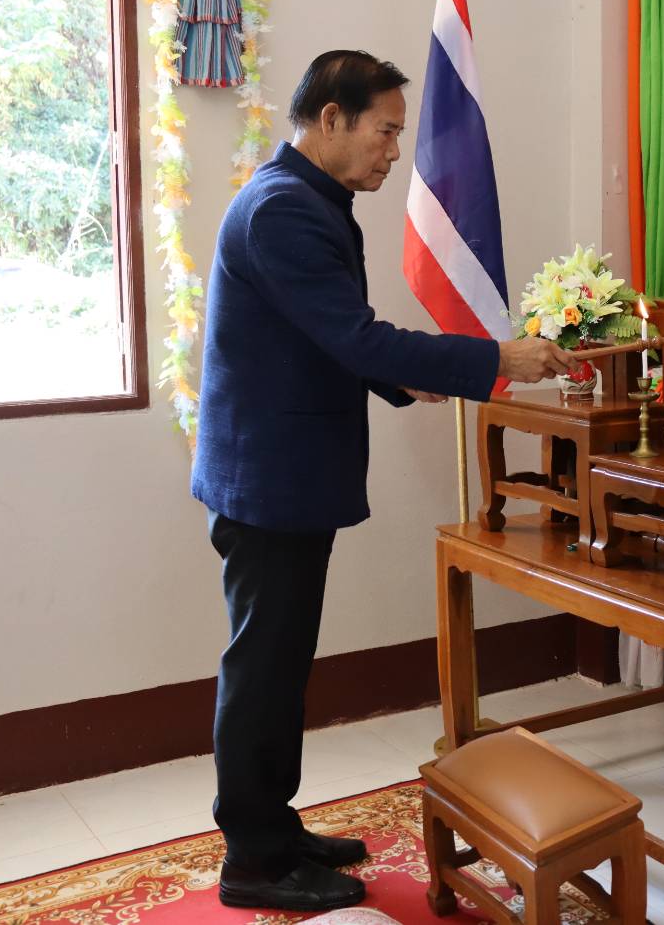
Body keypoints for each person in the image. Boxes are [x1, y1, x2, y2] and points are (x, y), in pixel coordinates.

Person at [190, 50, 575, 913]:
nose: (395, 151)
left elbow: (328, 337)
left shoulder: (304, 198)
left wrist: (405, 379)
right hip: (268, 481)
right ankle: (253, 856)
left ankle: (273, 826)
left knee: (279, 662)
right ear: (331, 118)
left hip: (279, 474)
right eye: (385, 131)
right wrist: (494, 359)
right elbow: (356, 337)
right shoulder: (284, 210)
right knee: (263, 667)